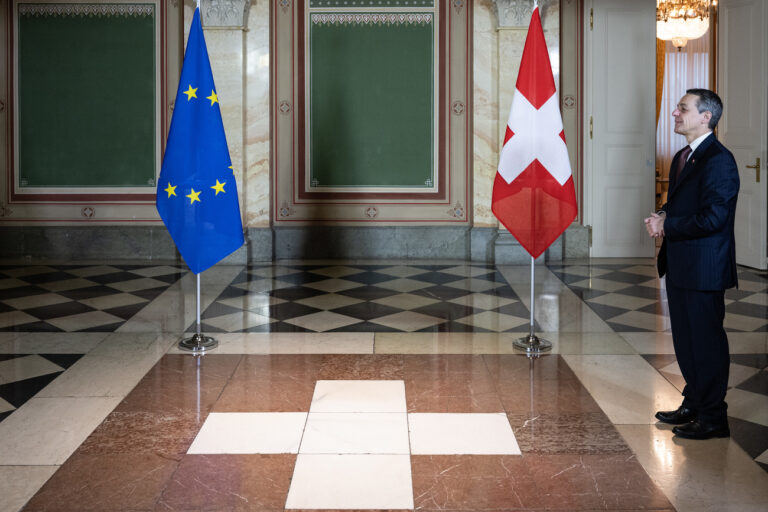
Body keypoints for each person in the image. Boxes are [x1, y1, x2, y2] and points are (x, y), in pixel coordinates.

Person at [644, 88, 739, 440]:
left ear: (705, 117)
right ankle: (695, 402)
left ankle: (714, 418)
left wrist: (667, 225)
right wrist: (665, 214)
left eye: (683, 108)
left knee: (706, 343)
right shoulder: (685, 155)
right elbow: (687, 205)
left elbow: (714, 217)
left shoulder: (719, 160)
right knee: (685, 341)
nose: (674, 113)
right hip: (683, 263)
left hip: (705, 268)